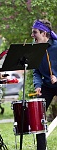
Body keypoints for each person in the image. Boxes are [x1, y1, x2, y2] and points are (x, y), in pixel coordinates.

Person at [32, 19, 57, 150]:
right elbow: (36, 71)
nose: (32, 36)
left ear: (44, 33)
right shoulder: (35, 48)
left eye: (35, 32)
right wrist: (37, 85)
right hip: (46, 87)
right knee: (37, 115)